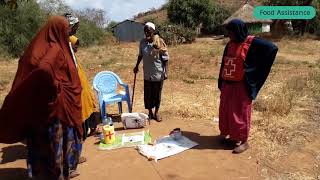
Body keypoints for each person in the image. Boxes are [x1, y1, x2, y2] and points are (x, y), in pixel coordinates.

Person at [0, 16, 83, 179]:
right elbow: (44, 69)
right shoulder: (55, 49)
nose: (68, 33)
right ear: (57, 30)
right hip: (54, 110)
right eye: (66, 30)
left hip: (39, 109)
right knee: (54, 149)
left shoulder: (40, 47)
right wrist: (55, 86)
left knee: (39, 147)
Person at [218, 19, 278, 154]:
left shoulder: (251, 42)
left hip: (241, 86)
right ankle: (233, 137)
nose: (229, 35)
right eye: (228, 32)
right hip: (228, 84)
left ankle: (244, 141)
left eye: (231, 32)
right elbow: (224, 63)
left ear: (239, 31)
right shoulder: (230, 44)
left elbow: (272, 48)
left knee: (241, 113)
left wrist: (251, 69)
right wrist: (221, 82)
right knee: (227, 111)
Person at [133, 22, 169, 122]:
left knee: (157, 94)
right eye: (145, 31)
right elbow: (140, 55)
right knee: (148, 94)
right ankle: (150, 113)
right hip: (147, 73)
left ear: (153, 31)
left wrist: (166, 72)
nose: (146, 33)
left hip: (158, 72)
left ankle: (156, 113)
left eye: (148, 31)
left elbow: (165, 58)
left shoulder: (159, 41)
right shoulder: (143, 42)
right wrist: (136, 66)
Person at [69, 35, 97, 139]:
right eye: (75, 46)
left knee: (88, 107)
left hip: (83, 88)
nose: (77, 48)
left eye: (77, 46)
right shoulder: (69, 57)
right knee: (83, 110)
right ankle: (84, 132)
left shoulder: (74, 56)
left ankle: (91, 128)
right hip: (78, 89)